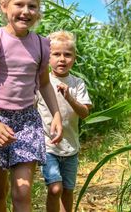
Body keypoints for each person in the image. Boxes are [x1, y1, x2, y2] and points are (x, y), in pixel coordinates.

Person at [0, 0, 63, 212]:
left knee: (22, 192)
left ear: (38, 11)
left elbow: (44, 84)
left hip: (27, 121)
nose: (25, 11)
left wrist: (57, 115)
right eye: (19, 4)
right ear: (4, 6)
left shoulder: (42, 45)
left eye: (32, 6)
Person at [36, 31, 92, 212]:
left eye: (67, 55)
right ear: (47, 58)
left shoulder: (77, 83)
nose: (62, 59)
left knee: (67, 191)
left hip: (71, 147)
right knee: (55, 189)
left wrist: (70, 97)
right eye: (56, 54)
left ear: (74, 58)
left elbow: (85, 113)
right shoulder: (42, 82)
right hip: (48, 145)